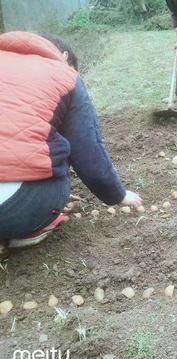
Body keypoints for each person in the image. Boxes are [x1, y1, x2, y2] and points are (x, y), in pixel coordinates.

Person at [0, 31, 143, 248]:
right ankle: (24, 231)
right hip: (11, 210)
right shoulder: (65, 77)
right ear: (64, 57)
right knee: (57, 153)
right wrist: (118, 195)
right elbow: (87, 154)